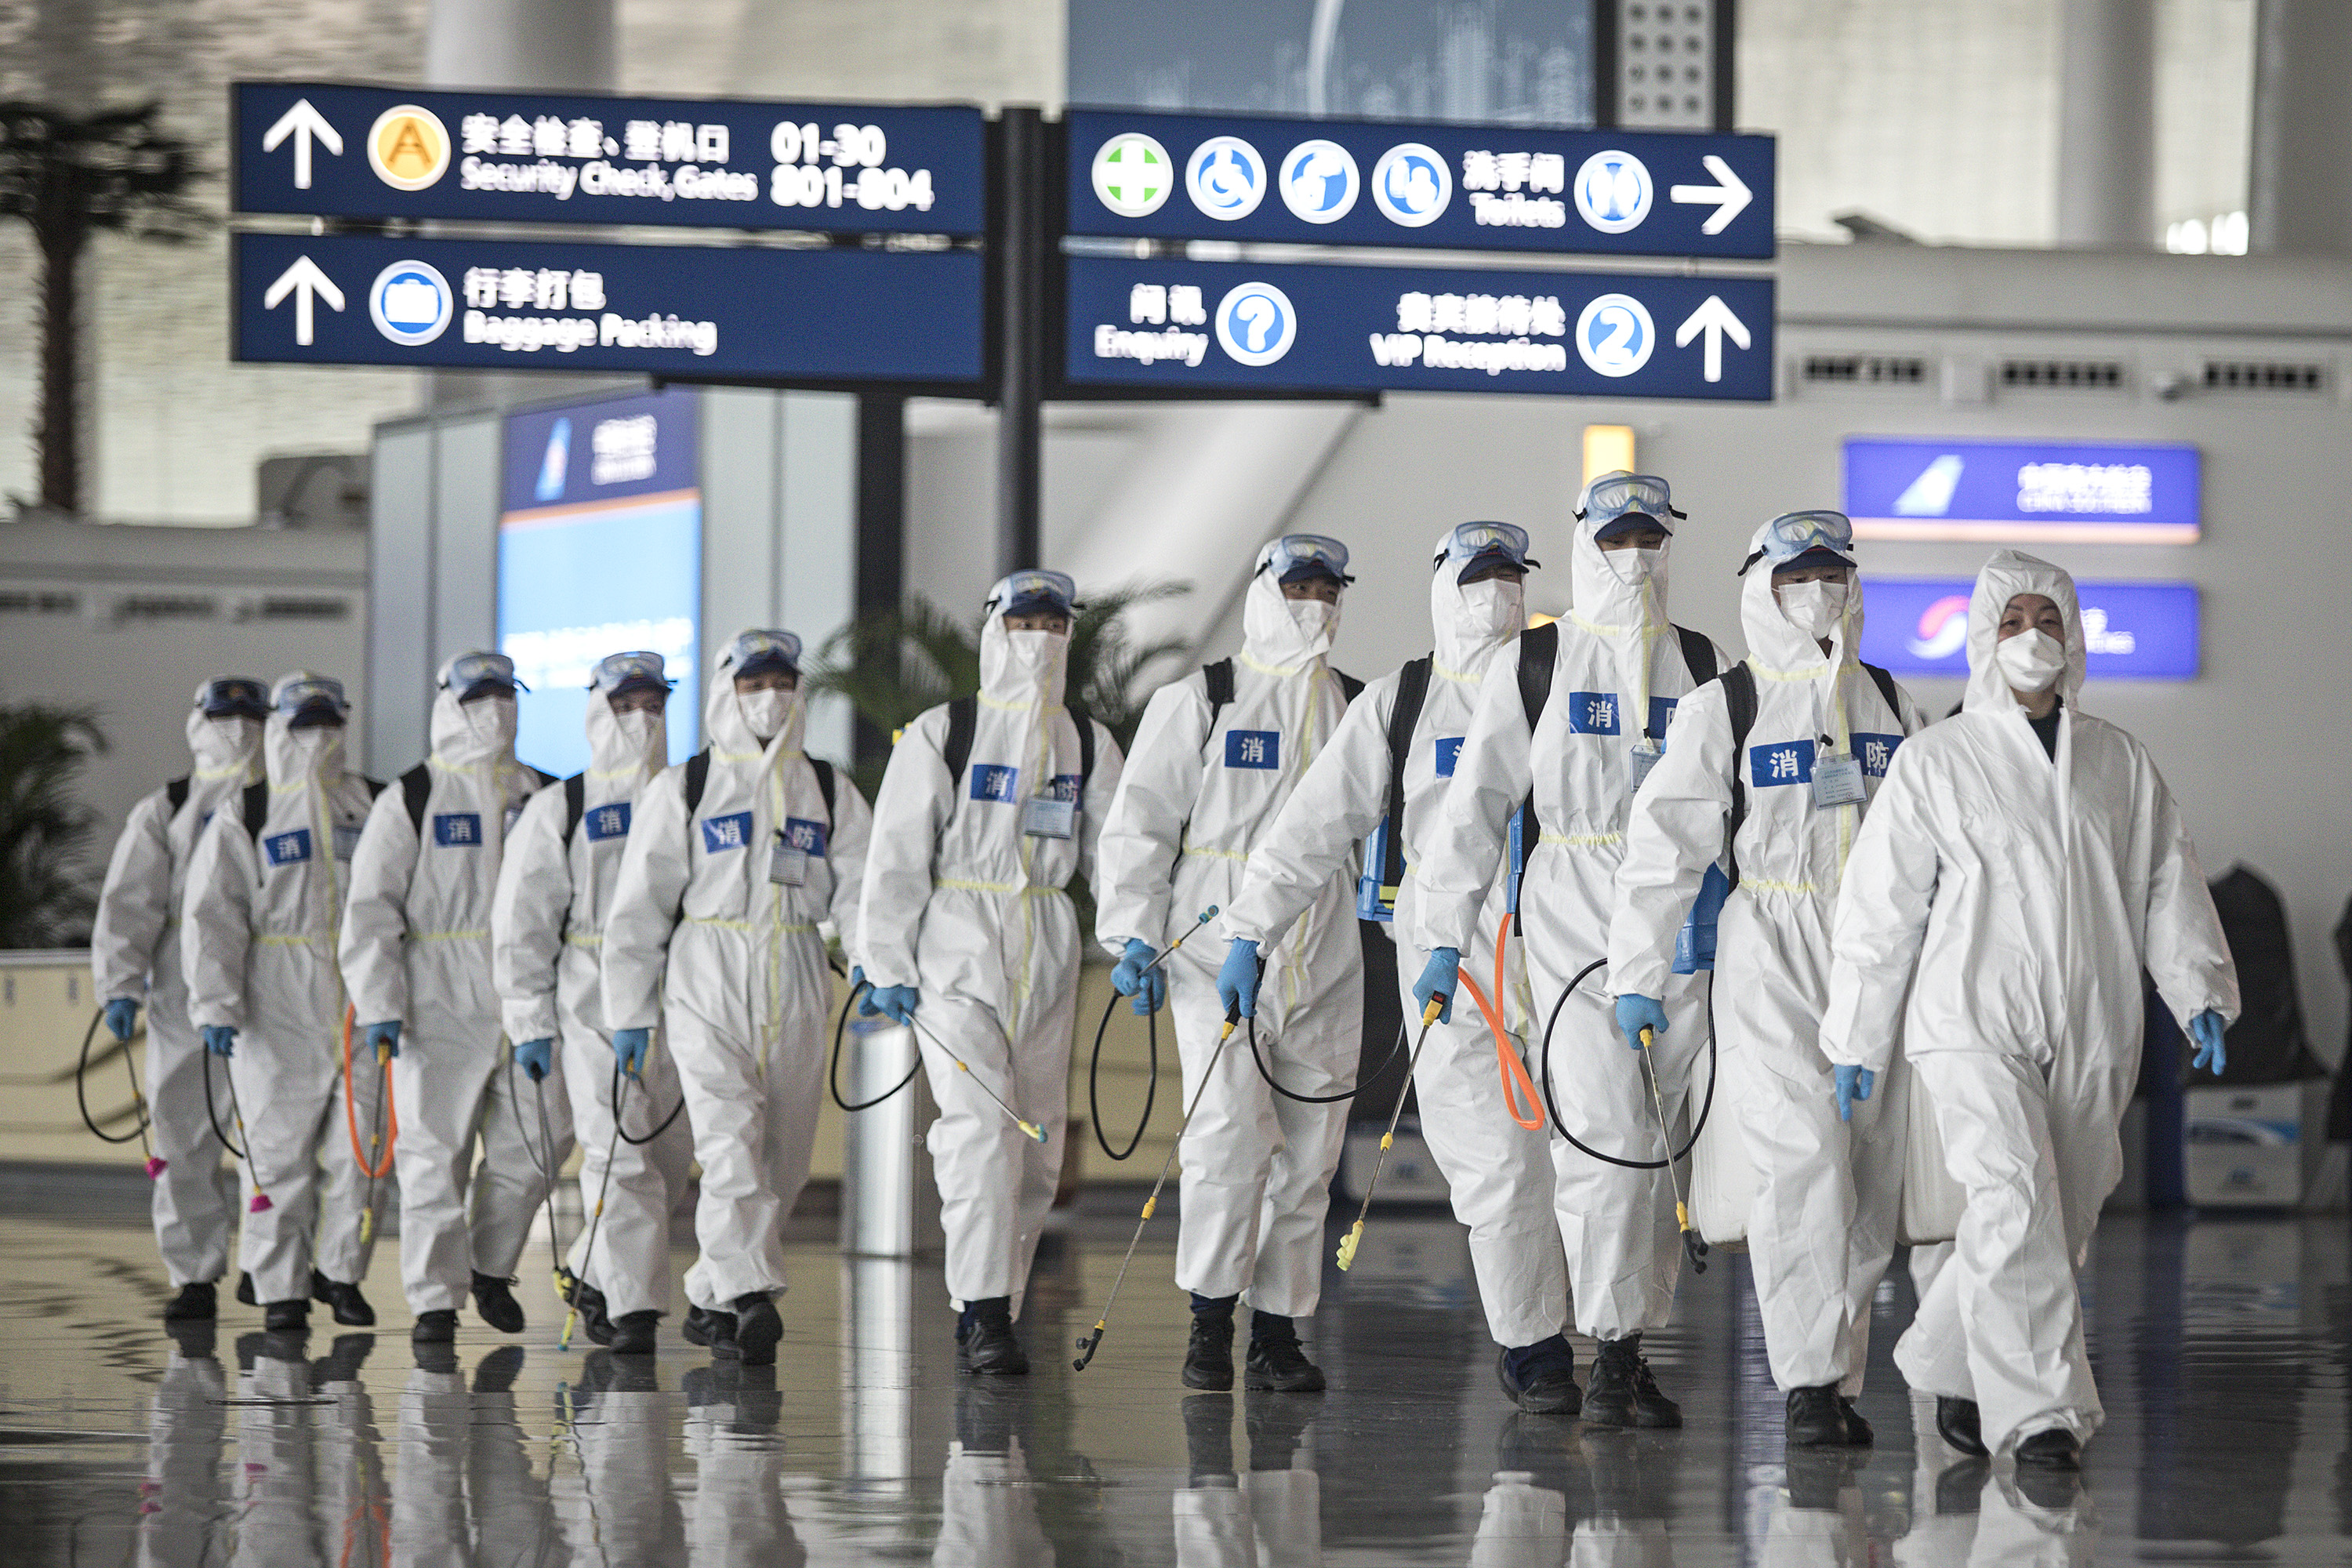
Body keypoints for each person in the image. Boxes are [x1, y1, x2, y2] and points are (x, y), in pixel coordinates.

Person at [1822, 549, 2238, 1471]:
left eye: (2048, 620)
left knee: (2064, 1209)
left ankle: (1953, 1364)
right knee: (2013, 1196)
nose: (2032, 639)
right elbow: (1882, 903)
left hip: (2095, 1017)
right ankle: (2043, 1415)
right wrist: (1857, 1028)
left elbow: (2168, 879)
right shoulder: (1939, 759)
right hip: (1971, 1013)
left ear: (2075, 635)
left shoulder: (2118, 761)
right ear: (1982, 637)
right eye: (2011, 622)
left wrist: (2198, 988)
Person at [1222, 522, 1578, 1413]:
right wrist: (1250, 928)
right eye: (1478, 573)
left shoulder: (1567, 680)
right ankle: (1535, 1345)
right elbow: (1313, 825)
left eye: (1509, 573)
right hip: (1447, 954)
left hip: (1570, 934)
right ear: (1442, 584)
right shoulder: (1400, 701)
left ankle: (1617, 1343)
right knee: (1494, 1157)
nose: (1496, 590)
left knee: (1599, 1154)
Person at [1407, 472, 1731, 1428]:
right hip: (1570, 916)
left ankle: (1626, 1346)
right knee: (1604, 1135)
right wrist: (1440, 936)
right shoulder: (1539, 661)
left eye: (1649, 533)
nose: (1634, 550)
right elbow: (1475, 809)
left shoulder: (1705, 662)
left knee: (1663, 1140)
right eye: (1615, 532)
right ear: (1586, 541)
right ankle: (1602, 1353)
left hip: (1680, 924)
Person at [1605, 511, 1931, 1446]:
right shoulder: (1728, 705)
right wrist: (1638, 967)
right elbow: (1663, 845)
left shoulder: (1889, 702)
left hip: (1874, 955)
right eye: (1799, 572)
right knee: (1802, 1159)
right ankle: (1806, 1383)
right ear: (1762, 583)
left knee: (1867, 1170)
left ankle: (1835, 1376)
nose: (1819, 588)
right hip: (1771, 946)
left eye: (1833, 569)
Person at [1097, 533, 1362, 1394]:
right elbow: (1141, 820)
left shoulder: (1357, 708)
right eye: (1299, 584)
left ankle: (1279, 1329)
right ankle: (1210, 1317)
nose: (1314, 599)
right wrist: (1133, 932)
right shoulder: (1204, 698)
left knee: (1313, 1146)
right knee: (1224, 1136)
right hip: (1213, 941)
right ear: (1262, 591)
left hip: (1323, 943)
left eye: (1327, 585)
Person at [857, 571, 1125, 1374]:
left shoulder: (1086, 739)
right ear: (995, 629)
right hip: (957, 949)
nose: (1040, 633)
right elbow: (896, 851)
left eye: (1054, 620)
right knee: (978, 1129)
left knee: (1035, 1147)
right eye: (1025, 619)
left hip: (1047, 943)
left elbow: (1119, 848)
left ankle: (996, 1307)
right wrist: (885, 958)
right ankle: (980, 1312)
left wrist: (1135, 936)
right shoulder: (946, 730)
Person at [602, 629, 873, 1367]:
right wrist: (630, 1011)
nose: (771, 698)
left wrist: (874, 962)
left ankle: (714, 1295)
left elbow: (859, 889)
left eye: (783, 683)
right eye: (755, 685)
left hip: (794, 967)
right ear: (728, 691)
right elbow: (639, 909)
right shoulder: (683, 787)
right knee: (728, 1141)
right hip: (706, 973)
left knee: (782, 1155)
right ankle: (753, 1296)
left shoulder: (824, 784)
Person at [340, 652, 561, 1345]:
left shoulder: (547, 794)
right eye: (478, 694)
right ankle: (435, 1300)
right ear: (448, 703)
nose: (494, 705)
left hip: (530, 988)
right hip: (437, 990)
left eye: (504, 692)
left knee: (537, 1143)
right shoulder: (412, 796)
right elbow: (371, 909)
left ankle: (491, 1265)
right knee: (435, 1151)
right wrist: (379, 1004)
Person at [492, 651, 688, 1358]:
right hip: (589, 999)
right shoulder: (561, 809)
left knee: (666, 1160)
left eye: (653, 704)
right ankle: (636, 1313)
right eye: (625, 705)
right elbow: (523, 923)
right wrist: (530, 1020)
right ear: (596, 710)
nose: (641, 718)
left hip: (678, 996)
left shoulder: (687, 794)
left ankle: (586, 1270)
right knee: (617, 1149)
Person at [180, 673, 387, 1334]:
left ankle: (341, 1271)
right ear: (280, 728)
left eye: (330, 721)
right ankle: (279, 1290)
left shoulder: (374, 803)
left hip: (361, 995)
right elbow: (213, 915)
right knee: (277, 1154)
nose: (318, 736)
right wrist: (216, 1005)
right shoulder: (250, 812)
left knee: (363, 1148)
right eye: (305, 723)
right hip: (277, 1001)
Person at [91, 677, 268, 1320]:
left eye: (251, 714)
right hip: (179, 1000)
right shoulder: (166, 810)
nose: (240, 727)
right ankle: (193, 1275)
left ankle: (268, 1265)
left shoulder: (287, 804)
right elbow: (128, 904)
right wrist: (120, 984)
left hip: (272, 1000)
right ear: (200, 722)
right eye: (227, 715)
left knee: (272, 1136)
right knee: (182, 1135)